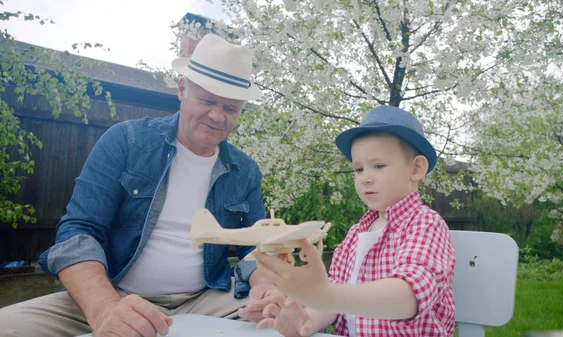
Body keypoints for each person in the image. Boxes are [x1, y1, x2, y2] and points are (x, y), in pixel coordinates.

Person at [0, 34, 282, 337]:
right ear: (182, 88)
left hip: (207, 298)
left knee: (292, 315)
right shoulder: (125, 140)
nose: (217, 116)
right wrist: (105, 308)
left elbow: (256, 247)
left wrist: (265, 287)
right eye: (208, 100)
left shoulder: (246, 170)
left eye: (230, 108)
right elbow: (79, 231)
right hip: (115, 293)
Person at [253, 105, 457, 336]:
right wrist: (306, 320)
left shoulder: (425, 224)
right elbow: (332, 303)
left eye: (378, 166)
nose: (365, 178)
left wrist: (327, 294)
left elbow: (409, 295)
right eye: (358, 169)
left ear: (416, 168)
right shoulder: (356, 233)